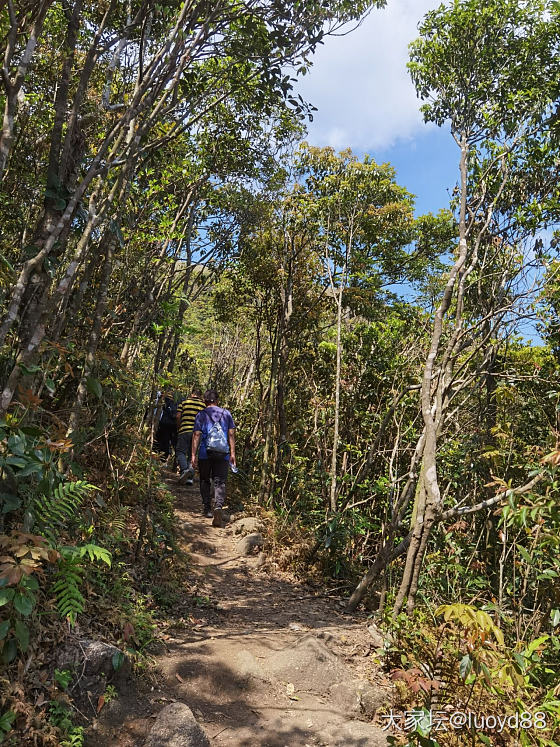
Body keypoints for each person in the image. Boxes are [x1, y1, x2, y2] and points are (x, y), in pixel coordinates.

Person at [191, 390, 236, 527]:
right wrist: (233, 453)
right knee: (220, 481)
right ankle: (218, 506)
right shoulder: (226, 413)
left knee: (204, 480)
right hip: (223, 453)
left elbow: (197, 435)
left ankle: (207, 509)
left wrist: (193, 455)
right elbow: (231, 434)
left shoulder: (201, 414)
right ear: (217, 400)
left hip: (205, 453)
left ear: (205, 400)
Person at [176, 388, 205, 485]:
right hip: (197, 433)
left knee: (180, 452)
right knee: (192, 454)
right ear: (200, 395)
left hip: (184, 430)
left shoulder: (184, 402)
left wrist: (179, 427)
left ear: (191, 394)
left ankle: (184, 470)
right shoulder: (203, 405)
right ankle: (190, 478)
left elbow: (178, 416)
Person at [155, 393, 177, 461]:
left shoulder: (165, 402)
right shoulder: (173, 404)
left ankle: (160, 457)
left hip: (163, 424)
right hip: (170, 425)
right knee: (166, 442)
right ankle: (163, 458)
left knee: (161, 441)